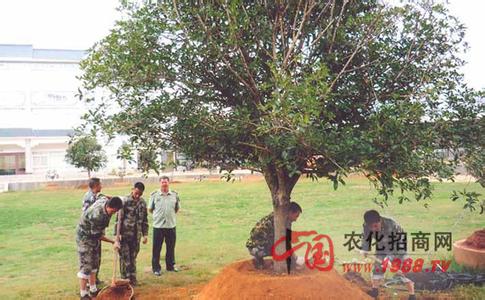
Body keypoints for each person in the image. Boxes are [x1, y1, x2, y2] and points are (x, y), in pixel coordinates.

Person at [361, 210, 415, 300]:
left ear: (380, 221)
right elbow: (366, 237)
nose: (374, 229)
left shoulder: (391, 225)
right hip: (381, 247)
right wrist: (365, 249)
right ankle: (375, 291)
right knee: (378, 267)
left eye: (376, 226)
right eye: (371, 227)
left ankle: (412, 295)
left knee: (404, 270)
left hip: (398, 247)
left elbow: (396, 245)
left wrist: (389, 258)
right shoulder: (367, 226)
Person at [76, 196, 122, 300]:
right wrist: (113, 242)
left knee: (94, 263)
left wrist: (118, 199)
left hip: (93, 238)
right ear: (111, 208)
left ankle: (93, 289)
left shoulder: (105, 201)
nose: (114, 213)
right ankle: (83, 294)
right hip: (85, 238)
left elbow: (102, 195)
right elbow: (98, 235)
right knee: (86, 265)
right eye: (114, 211)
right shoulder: (97, 215)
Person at [246, 202, 302, 269]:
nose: (296, 219)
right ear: (290, 212)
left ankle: (260, 260)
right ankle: (266, 262)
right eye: (296, 216)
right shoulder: (280, 221)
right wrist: (294, 260)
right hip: (256, 248)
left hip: (255, 246)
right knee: (282, 247)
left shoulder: (279, 216)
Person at [115, 182, 149, 286]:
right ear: (133, 189)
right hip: (124, 235)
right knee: (125, 258)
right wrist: (117, 236)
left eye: (140, 194)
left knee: (133, 257)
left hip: (136, 236)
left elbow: (144, 220)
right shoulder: (124, 201)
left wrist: (145, 235)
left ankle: (133, 278)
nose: (137, 195)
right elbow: (118, 220)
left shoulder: (143, 203)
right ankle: (125, 279)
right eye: (136, 193)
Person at [81, 177, 112, 285]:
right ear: (96, 186)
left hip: (96, 232)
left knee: (97, 257)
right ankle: (90, 282)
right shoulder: (90, 197)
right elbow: (87, 215)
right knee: (91, 258)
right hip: (91, 233)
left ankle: (95, 279)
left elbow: (103, 197)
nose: (101, 186)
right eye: (100, 184)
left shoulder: (96, 195)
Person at [149, 176, 181, 276]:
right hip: (158, 226)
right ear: (160, 183)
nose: (164, 184)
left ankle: (170, 266)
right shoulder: (154, 195)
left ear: (169, 183)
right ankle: (156, 268)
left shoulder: (174, 195)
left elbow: (177, 208)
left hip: (171, 225)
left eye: (166, 182)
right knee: (156, 248)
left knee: (171, 247)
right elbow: (150, 209)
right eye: (162, 182)